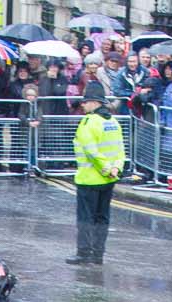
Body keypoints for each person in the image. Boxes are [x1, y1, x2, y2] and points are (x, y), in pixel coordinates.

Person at [68, 80, 124, 266]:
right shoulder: (113, 122)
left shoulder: (88, 122)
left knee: (85, 219)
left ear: (95, 102)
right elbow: (120, 151)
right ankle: (98, 254)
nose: (83, 105)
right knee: (102, 217)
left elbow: (91, 152)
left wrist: (105, 168)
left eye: (86, 101)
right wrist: (115, 169)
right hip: (108, 180)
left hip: (89, 179)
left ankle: (84, 253)